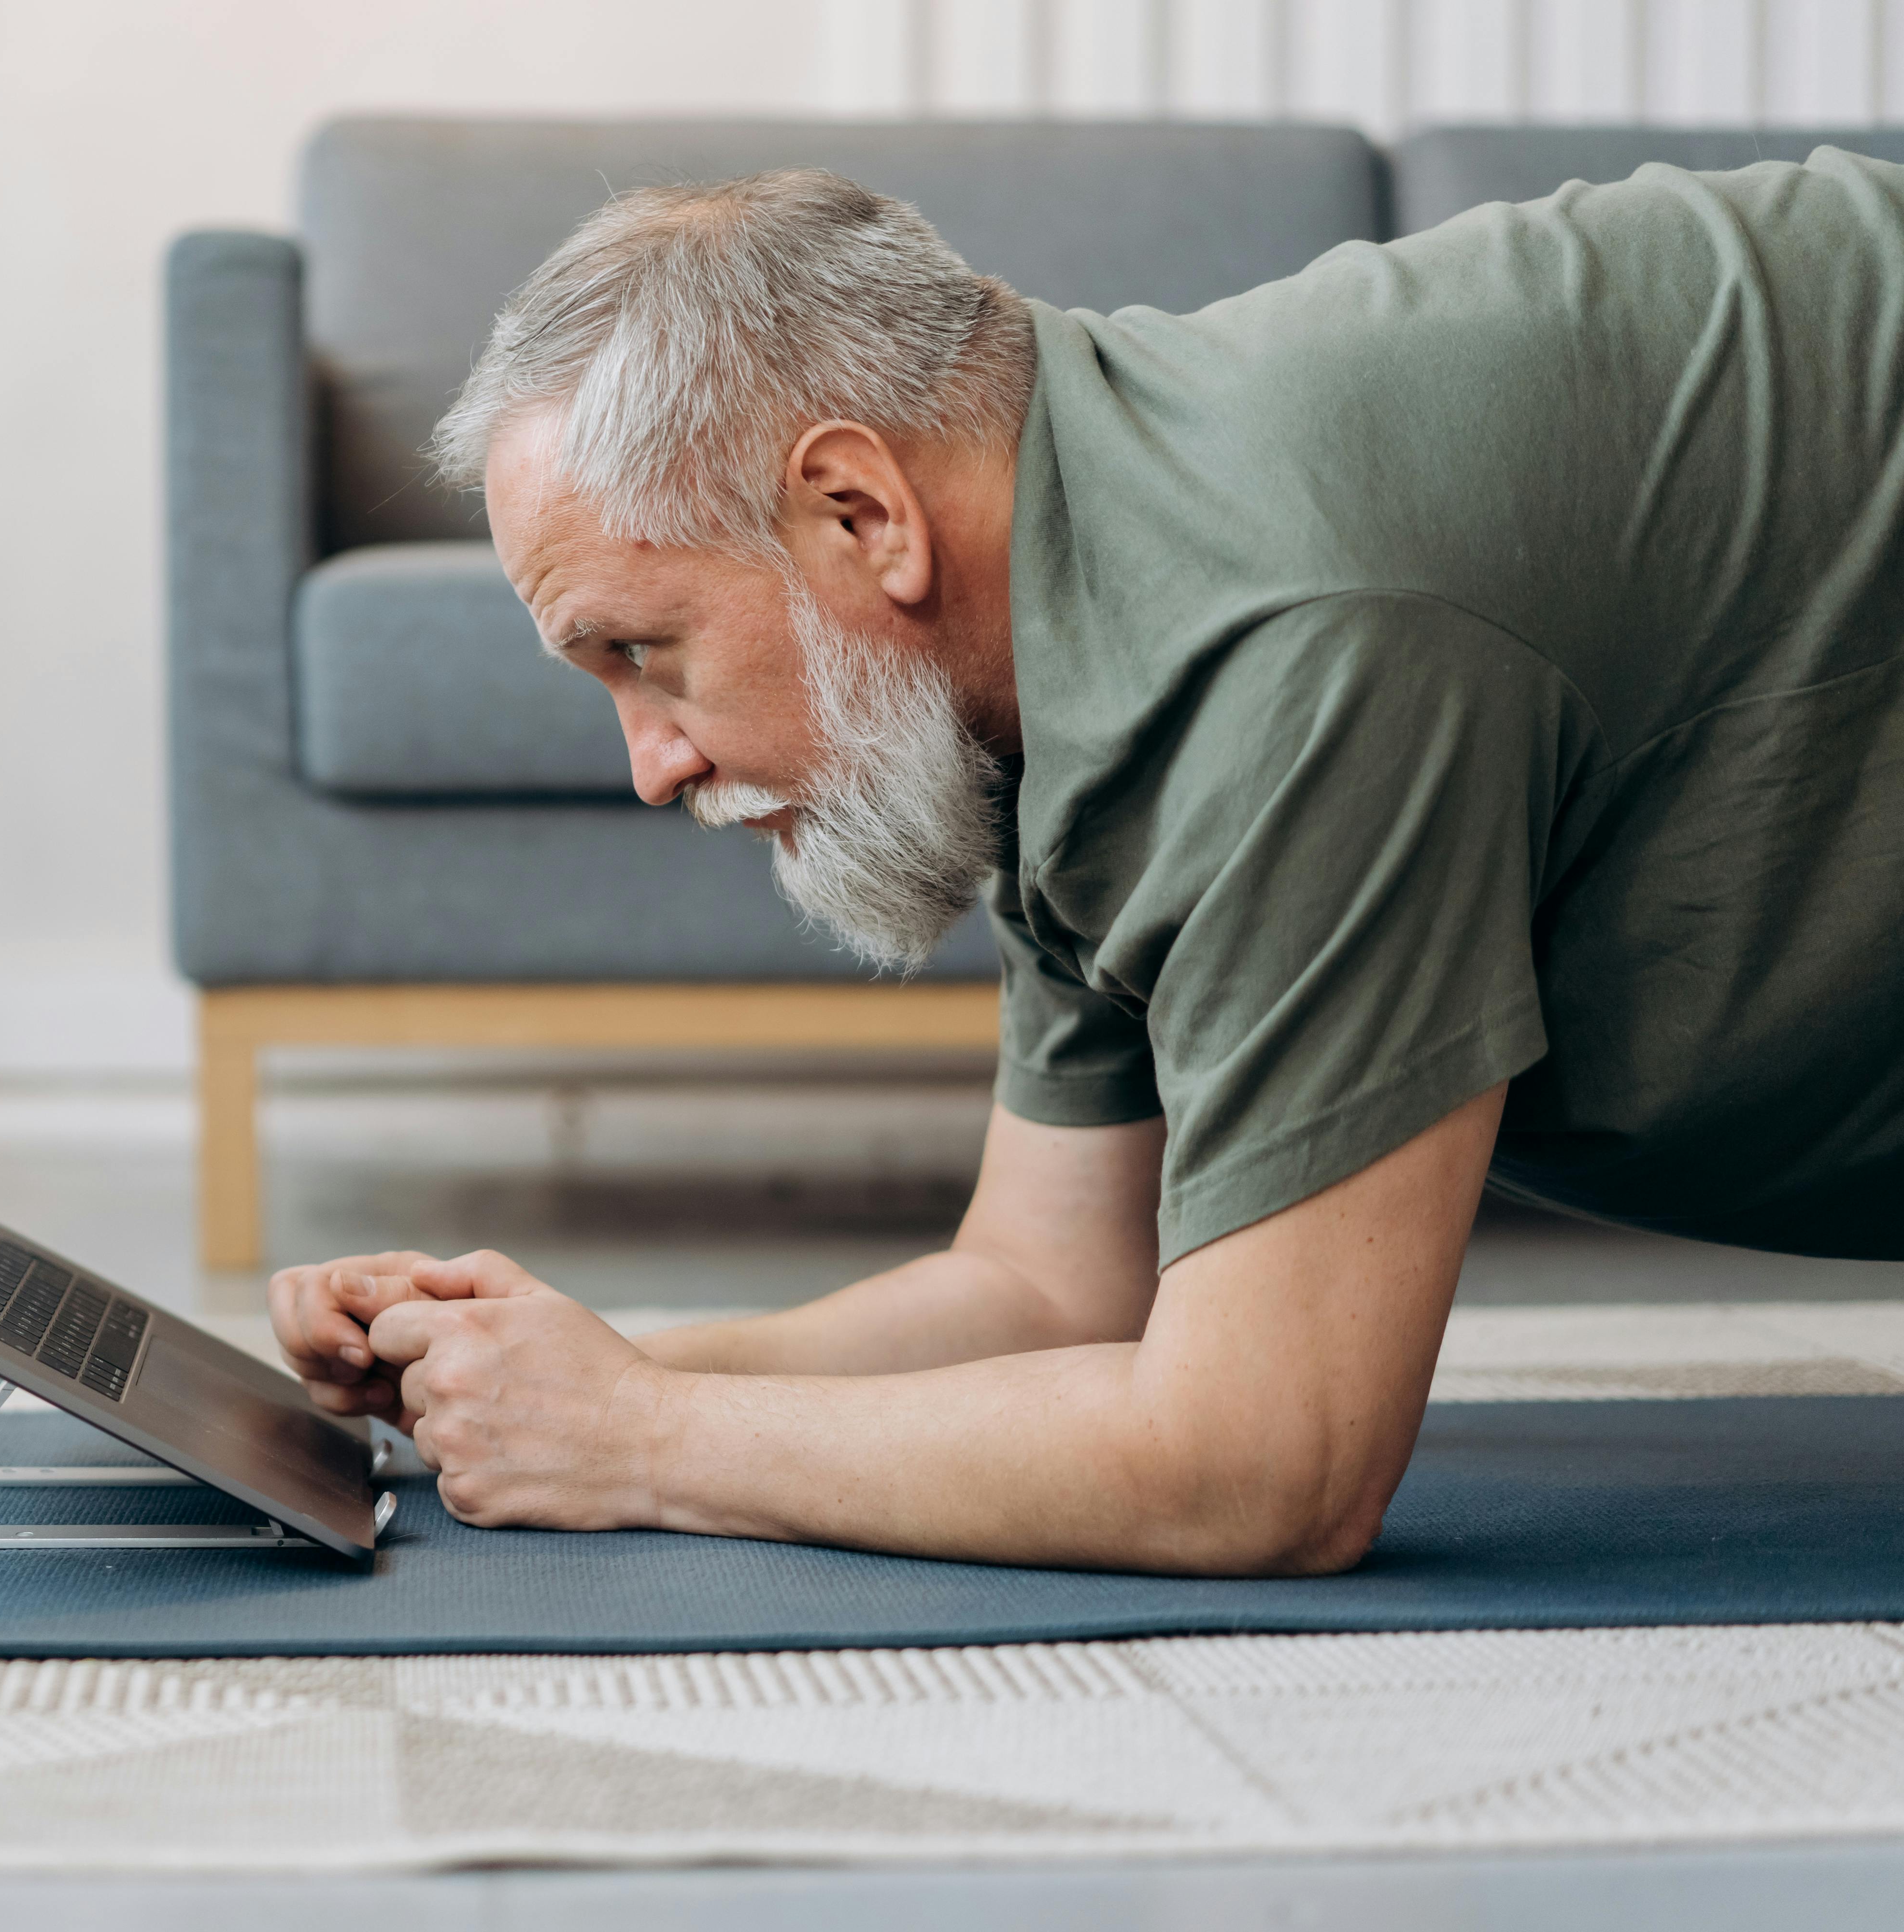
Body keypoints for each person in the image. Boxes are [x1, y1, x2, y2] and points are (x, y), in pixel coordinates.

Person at [266, 153, 1904, 1576]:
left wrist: (649, 1448)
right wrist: (567, 1378)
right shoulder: (1044, 635)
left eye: (646, 651)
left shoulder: (1275, 647)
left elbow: (1273, 1467)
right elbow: (1049, 1287)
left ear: (858, 514)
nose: (652, 763)